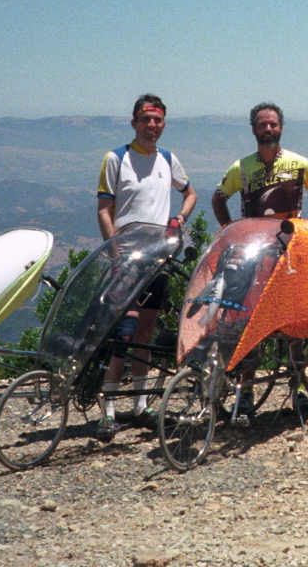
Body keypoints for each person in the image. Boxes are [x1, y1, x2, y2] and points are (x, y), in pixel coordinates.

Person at [211, 102, 308, 414]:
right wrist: (230, 232)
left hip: (290, 253)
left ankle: (298, 388)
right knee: (250, 321)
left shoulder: (299, 163)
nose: (268, 129)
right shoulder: (241, 168)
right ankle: (247, 391)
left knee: (294, 324)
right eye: (263, 124)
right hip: (254, 255)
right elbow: (218, 198)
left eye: (273, 124)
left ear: (281, 128)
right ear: (254, 129)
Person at [95, 94, 197, 440]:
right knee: (122, 333)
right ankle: (108, 411)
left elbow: (190, 193)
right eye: (145, 119)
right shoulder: (116, 158)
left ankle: (140, 406)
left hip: (158, 259)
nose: (151, 126)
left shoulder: (167, 159)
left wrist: (179, 218)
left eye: (157, 120)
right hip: (126, 260)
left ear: (163, 124)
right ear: (134, 122)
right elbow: (104, 209)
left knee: (146, 333)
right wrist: (115, 253)